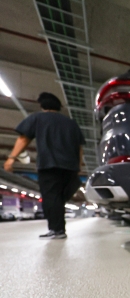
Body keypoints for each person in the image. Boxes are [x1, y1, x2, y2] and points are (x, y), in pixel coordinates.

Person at [3, 92, 85, 239]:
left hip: (49, 165)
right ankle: (58, 228)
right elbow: (79, 148)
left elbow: (23, 138)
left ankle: (57, 230)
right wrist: (78, 167)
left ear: (42, 105)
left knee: (51, 198)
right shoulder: (71, 123)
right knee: (59, 198)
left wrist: (11, 158)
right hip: (70, 168)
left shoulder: (37, 118)